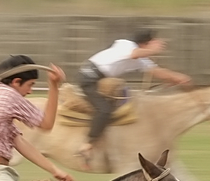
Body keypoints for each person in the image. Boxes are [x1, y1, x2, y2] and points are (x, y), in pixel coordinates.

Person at [76, 29, 191, 160]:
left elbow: (157, 71)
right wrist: (154, 50)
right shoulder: (125, 45)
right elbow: (134, 54)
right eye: (152, 44)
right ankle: (87, 144)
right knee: (104, 110)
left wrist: (177, 78)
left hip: (101, 79)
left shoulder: (141, 58)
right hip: (89, 77)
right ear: (145, 44)